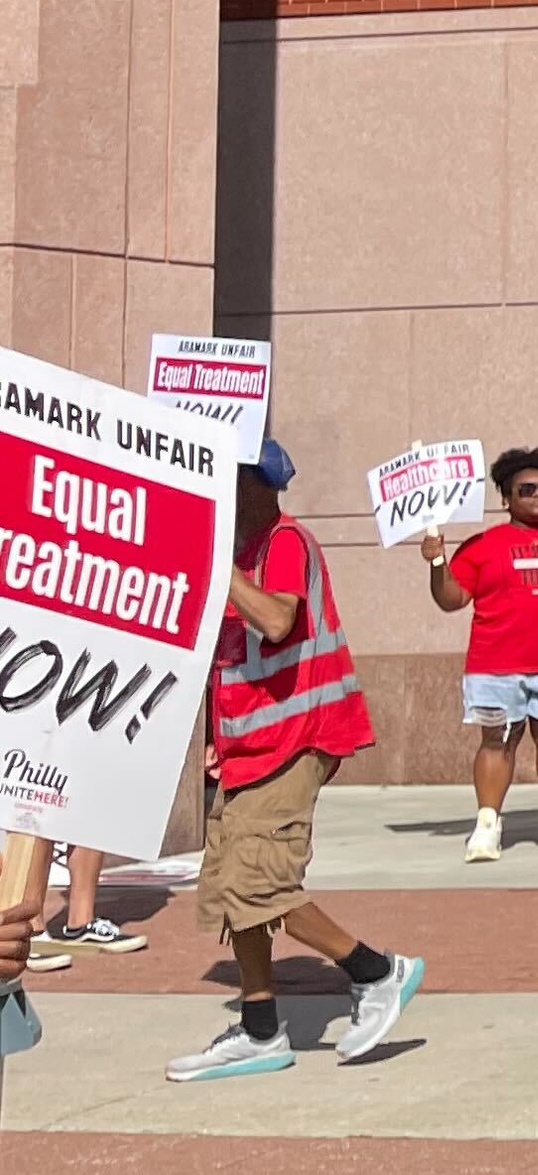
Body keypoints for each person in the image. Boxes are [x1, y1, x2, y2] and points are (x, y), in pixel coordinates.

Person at [165, 444, 425, 1081]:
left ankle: (376, 971)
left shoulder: (285, 542)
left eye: (223, 478)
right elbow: (229, 659)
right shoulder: (239, 553)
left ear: (256, 483)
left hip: (296, 738)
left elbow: (278, 620)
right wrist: (214, 736)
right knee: (232, 888)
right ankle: (260, 1032)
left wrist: (217, 565)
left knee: (262, 884)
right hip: (247, 746)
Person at [422, 447, 538, 861]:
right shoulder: (481, 546)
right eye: (526, 489)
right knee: (497, 742)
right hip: (495, 669)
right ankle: (487, 825)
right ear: (506, 498)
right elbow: (451, 599)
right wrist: (437, 561)